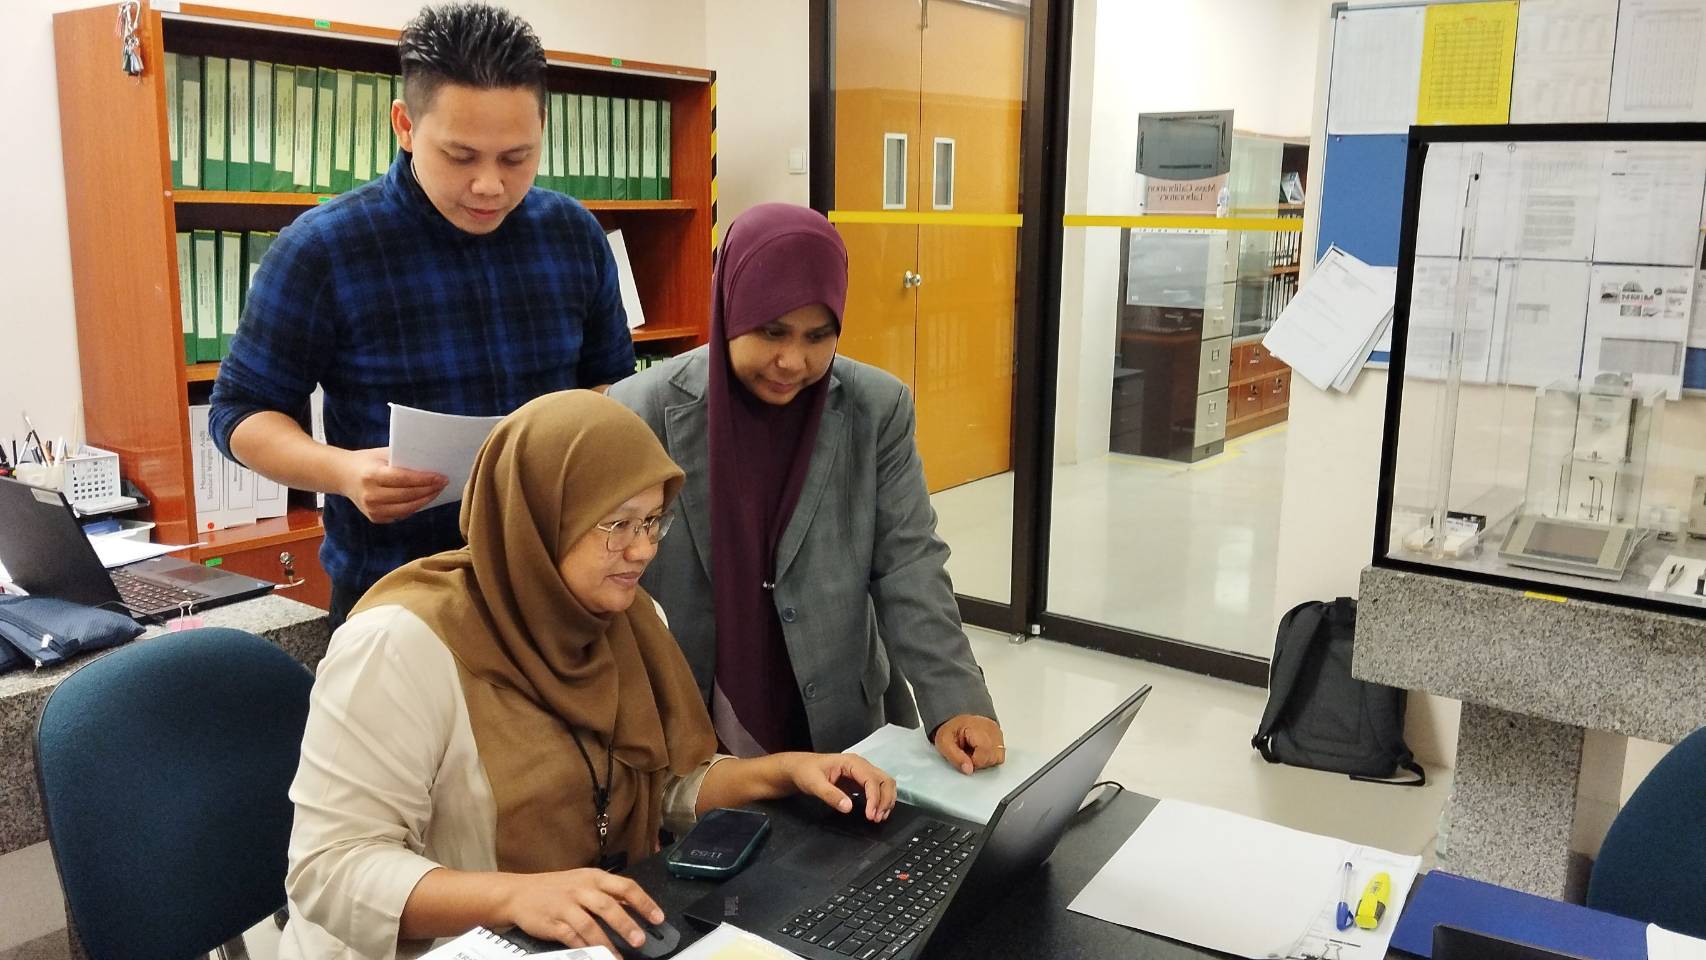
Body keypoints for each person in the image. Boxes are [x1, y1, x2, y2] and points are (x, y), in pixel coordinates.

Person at [279, 391, 897, 960]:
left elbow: (661, 783)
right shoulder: (399, 647)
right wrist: (513, 896)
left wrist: (784, 773)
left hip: (594, 936)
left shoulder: (627, 619)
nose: (643, 549)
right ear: (540, 517)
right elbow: (330, 869)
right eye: (617, 524)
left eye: (653, 521)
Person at [210, 2, 636, 628]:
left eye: (516, 157)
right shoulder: (324, 248)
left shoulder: (572, 234)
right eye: (461, 156)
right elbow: (238, 412)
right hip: (398, 599)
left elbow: (611, 384)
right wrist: (345, 472)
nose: (489, 185)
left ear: (542, 128)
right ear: (405, 126)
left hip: (555, 586)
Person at [609, 203, 1005, 772]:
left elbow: (909, 562)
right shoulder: (640, 410)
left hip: (837, 711)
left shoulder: (877, 407)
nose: (792, 361)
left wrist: (958, 701)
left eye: (819, 337)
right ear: (729, 308)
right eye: (772, 332)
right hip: (686, 714)